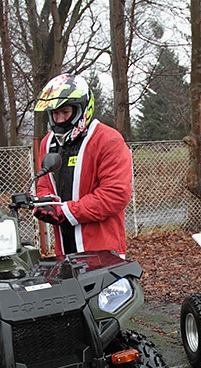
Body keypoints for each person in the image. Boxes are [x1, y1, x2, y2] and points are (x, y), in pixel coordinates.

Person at [32, 73, 132, 256]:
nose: (60, 119)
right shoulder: (48, 143)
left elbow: (115, 194)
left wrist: (67, 211)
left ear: (81, 110)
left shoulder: (108, 140)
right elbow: (44, 184)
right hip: (64, 250)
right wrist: (44, 203)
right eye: (55, 113)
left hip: (103, 252)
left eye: (65, 112)